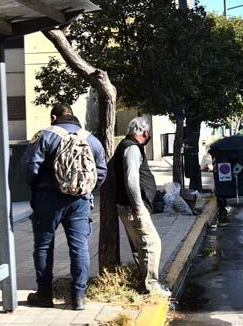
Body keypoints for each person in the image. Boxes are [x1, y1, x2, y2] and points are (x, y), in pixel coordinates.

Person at [22, 103, 107, 310]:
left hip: (48, 199)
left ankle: (44, 295)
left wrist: (39, 187)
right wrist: (83, 189)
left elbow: (29, 169)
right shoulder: (91, 139)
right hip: (80, 201)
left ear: (53, 117)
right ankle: (78, 296)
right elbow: (101, 172)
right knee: (79, 248)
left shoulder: (45, 136)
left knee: (43, 246)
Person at [109, 117, 171, 297]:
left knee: (140, 246)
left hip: (129, 206)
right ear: (145, 132)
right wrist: (138, 206)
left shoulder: (127, 146)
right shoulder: (132, 148)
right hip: (133, 208)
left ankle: (144, 282)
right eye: (148, 132)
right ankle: (152, 287)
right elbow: (131, 179)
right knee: (152, 244)